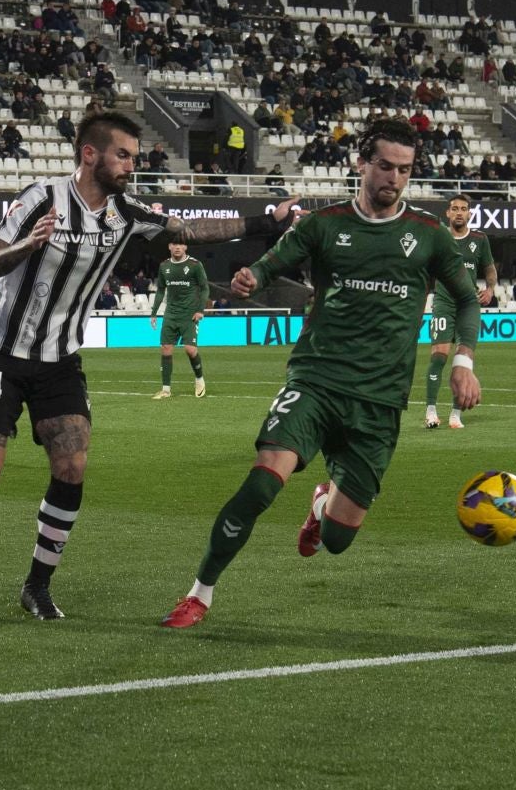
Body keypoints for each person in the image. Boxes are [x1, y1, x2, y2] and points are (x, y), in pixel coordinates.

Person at [0, 111, 299, 624]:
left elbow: (190, 228)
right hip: (2, 357)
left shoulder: (124, 212)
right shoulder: (41, 199)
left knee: (72, 466)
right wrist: (26, 245)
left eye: (134, 156)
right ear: (89, 154)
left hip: (59, 362)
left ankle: (37, 586)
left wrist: (265, 222)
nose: (132, 165)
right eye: (123, 154)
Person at [159, 120, 482, 630]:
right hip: (315, 382)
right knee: (262, 483)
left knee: (336, 541)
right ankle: (200, 593)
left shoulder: (428, 235)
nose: (394, 178)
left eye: (404, 170)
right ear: (361, 163)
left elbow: (466, 298)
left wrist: (463, 363)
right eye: (385, 166)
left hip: (379, 403)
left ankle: (322, 504)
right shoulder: (324, 224)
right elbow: (270, 264)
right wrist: (252, 277)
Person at [422, 193, 497, 429]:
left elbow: (489, 268)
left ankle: (456, 414)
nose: (458, 212)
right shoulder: (440, 237)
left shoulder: (479, 239)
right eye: (454, 208)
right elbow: (426, 271)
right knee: (438, 356)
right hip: (444, 302)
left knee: (463, 360)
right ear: (447, 213)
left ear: (469, 213)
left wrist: (491, 288)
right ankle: (431, 411)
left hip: (469, 305)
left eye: (463, 209)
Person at [149, 239, 211, 399]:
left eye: (180, 245)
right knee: (166, 348)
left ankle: (199, 380)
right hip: (171, 314)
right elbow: (161, 290)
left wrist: (200, 310)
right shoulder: (164, 266)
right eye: (174, 244)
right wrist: (154, 312)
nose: (177, 247)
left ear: (185, 247)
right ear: (169, 246)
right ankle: (166, 390)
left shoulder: (195, 265)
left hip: (189, 314)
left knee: (190, 350)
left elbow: (205, 288)